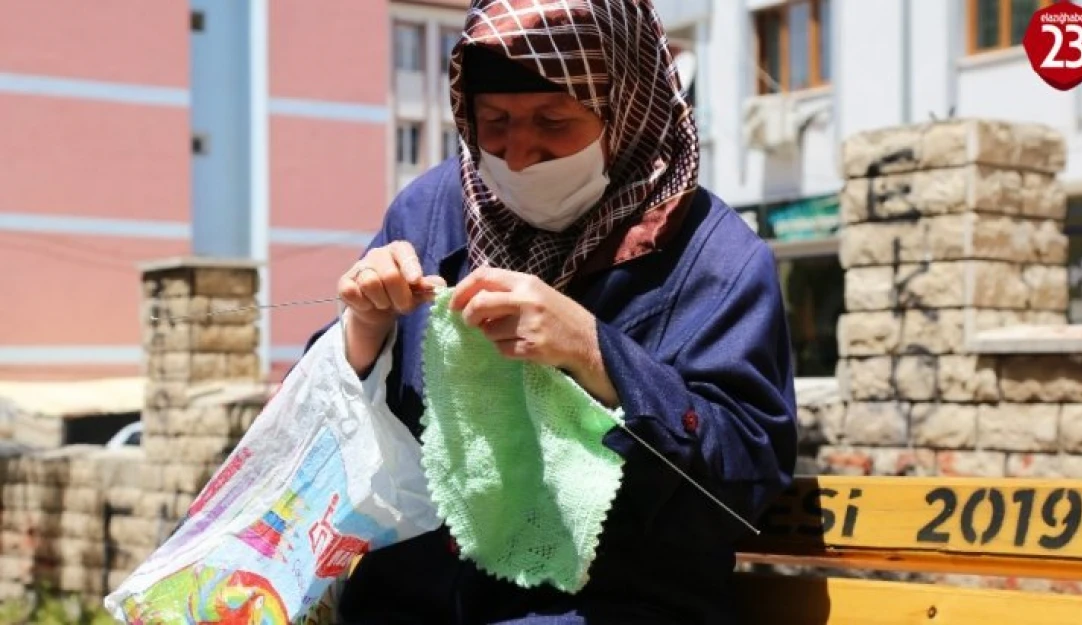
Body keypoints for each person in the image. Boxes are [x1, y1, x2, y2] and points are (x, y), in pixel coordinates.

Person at [303, 1, 798, 623]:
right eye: (495, 121)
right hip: (411, 600)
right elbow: (331, 425)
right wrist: (363, 328)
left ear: (626, 109)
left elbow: (742, 487)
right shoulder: (431, 210)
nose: (518, 153)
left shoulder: (714, 259)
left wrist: (595, 353)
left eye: (553, 121)